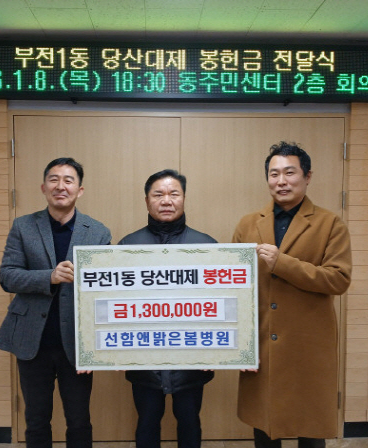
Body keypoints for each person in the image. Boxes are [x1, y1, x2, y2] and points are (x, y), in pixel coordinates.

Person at [232, 142, 352, 448]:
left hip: (308, 346)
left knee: (311, 428)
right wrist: (240, 344)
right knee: (264, 427)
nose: (281, 181)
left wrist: (282, 263)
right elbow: (234, 286)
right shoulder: (248, 223)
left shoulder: (330, 224)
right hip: (261, 341)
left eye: (289, 172)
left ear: (307, 176)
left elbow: (338, 279)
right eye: (274, 174)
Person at [0, 157, 111, 448]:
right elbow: (7, 276)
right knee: (36, 419)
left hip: (77, 344)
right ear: (43, 187)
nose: (61, 186)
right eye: (54, 179)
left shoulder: (98, 232)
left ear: (79, 190)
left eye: (68, 180)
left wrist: (94, 348)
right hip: (32, 340)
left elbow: (104, 292)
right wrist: (49, 277)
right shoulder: (23, 226)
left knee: (79, 420)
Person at [118, 169, 216, 448]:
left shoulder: (207, 246)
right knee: (147, 421)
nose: (166, 201)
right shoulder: (127, 246)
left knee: (190, 421)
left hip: (192, 357)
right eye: (158, 194)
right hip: (144, 358)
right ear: (146, 200)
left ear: (184, 198)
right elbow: (115, 305)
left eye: (174, 194)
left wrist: (217, 350)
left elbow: (220, 304)